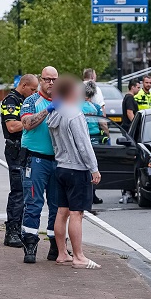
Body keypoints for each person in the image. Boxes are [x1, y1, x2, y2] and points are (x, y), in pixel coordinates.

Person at [48, 76, 102, 269]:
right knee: (76, 213)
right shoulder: (75, 114)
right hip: (77, 169)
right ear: (71, 92)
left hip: (61, 166)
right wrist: (93, 168)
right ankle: (79, 256)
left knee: (61, 212)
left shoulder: (54, 114)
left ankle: (62, 253)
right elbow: (83, 144)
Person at [19, 66, 61, 264]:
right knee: (34, 203)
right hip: (35, 159)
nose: (51, 83)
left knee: (57, 205)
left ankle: (56, 245)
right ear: (41, 80)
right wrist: (47, 110)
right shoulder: (31, 101)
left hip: (58, 160)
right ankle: (30, 244)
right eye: (47, 79)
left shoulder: (63, 101)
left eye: (54, 79)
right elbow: (27, 124)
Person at [1, 74, 39, 248]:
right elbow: (11, 126)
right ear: (23, 85)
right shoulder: (11, 101)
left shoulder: (25, 100)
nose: (34, 92)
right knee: (17, 191)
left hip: (23, 150)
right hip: (14, 149)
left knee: (25, 191)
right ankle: (12, 232)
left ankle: (20, 230)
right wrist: (31, 121)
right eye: (32, 89)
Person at [82, 80, 106, 205]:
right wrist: (107, 136)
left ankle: (84, 193)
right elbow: (103, 124)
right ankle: (92, 194)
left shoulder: (77, 106)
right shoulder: (96, 107)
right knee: (94, 167)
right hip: (95, 139)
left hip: (83, 138)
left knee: (83, 167)